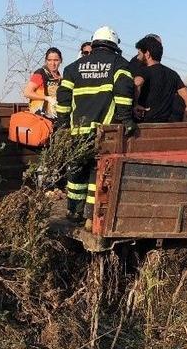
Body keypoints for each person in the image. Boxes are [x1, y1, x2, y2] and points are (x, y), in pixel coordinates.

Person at [56, 26, 135, 225]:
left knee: (77, 171)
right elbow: (124, 96)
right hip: (104, 132)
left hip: (78, 132)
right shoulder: (120, 65)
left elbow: (63, 100)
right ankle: (92, 216)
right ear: (114, 46)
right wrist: (127, 121)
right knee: (97, 172)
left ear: (94, 43)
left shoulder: (72, 68)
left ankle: (73, 212)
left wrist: (63, 125)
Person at [132, 36, 187, 125]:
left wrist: (135, 104)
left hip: (144, 124)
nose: (138, 57)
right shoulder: (172, 74)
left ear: (147, 54)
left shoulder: (144, 71)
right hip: (165, 125)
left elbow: (137, 83)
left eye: (139, 53)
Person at [23, 47, 62, 117]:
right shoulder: (40, 74)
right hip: (39, 117)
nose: (53, 63)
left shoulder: (60, 78)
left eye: (56, 60)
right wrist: (46, 98)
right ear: (46, 61)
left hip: (54, 117)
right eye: (49, 60)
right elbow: (27, 93)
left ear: (60, 61)